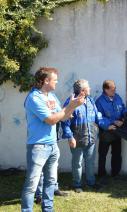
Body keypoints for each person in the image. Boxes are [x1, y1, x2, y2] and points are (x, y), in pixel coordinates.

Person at [21, 67, 85, 212]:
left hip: (52, 145)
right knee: (32, 183)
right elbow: (51, 119)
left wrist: (73, 106)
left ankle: (48, 209)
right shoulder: (34, 98)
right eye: (54, 80)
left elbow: (64, 116)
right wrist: (69, 106)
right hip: (38, 146)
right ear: (46, 80)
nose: (57, 82)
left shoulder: (51, 96)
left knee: (50, 181)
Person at [61, 79, 108, 192]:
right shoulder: (71, 102)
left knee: (90, 161)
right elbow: (65, 122)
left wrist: (108, 125)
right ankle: (77, 184)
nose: (90, 89)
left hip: (91, 136)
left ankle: (91, 182)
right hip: (77, 138)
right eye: (88, 87)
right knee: (77, 162)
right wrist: (70, 137)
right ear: (82, 90)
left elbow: (98, 117)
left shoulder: (90, 100)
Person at [95, 80, 127, 179]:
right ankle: (102, 175)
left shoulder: (117, 97)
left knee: (117, 153)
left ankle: (116, 173)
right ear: (106, 89)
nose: (114, 91)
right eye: (112, 89)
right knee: (102, 154)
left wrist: (124, 117)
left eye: (115, 89)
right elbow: (99, 117)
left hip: (118, 130)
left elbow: (123, 108)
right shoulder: (99, 101)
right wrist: (109, 124)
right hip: (106, 131)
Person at [35, 122, 67, 205]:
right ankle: (40, 195)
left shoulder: (57, 108)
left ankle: (54, 188)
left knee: (54, 166)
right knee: (41, 170)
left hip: (54, 139)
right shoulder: (41, 109)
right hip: (42, 141)